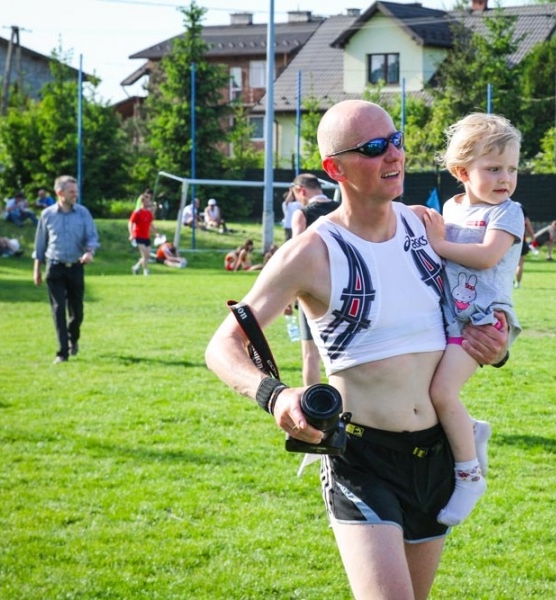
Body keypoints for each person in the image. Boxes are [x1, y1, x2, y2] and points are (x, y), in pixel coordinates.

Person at [205, 99, 508, 600]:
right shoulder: (311, 252)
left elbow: (474, 311)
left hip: (435, 456)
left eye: (396, 141)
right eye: (373, 148)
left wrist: (494, 349)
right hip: (361, 458)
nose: (394, 155)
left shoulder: (426, 227)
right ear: (335, 169)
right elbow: (222, 345)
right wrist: (275, 396)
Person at [422, 112, 524, 526]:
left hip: (484, 321)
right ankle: (472, 430)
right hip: (450, 316)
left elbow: (486, 256)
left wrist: (439, 243)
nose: (505, 179)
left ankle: (469, 477)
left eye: (512, 169)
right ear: (462, 172)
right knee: (431, 391)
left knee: (442, 392)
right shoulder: (452, 207)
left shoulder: (507, 213)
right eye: (493, 169)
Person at [32, 175, 100, 364]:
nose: (75, 195)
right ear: (59, 193)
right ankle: (62, 352)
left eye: (76, 191)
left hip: (76, 266)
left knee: (77, 312)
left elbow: (92, 236)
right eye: (71, 192)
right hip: (54, 267)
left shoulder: (83, 213)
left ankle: (73, 338)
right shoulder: (47, 215)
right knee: (58, 309)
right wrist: (37, 269)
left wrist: (89, 252)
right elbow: (40, 244)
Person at [290, 173, 340, 386]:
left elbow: (296, 256)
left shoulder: (302, 214)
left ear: (301, 190)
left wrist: (289, 294)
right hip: (346, 285)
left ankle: (314, 403)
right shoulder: (341, 209)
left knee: (310, 354)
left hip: (311, 289)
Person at [129, 189, 159, 276]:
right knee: (145, 254)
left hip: (146, 236)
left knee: (147, 255)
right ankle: (146, 271)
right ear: (143, 201)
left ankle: (136, 267)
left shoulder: (148, 213)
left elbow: (150, 224)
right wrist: (131, 234)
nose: (149, 202)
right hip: (138, 235)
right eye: (147, 201)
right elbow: (130, 223)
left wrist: (156, 233)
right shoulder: (137, 212)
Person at [514, 207, 536, 289]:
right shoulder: (523, 218)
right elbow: (530, 230)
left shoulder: (508, 216)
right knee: (520, 264)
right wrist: (533, 239)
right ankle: (518, 283)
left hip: (508, 242)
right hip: (521, 242)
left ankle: (509, 281)